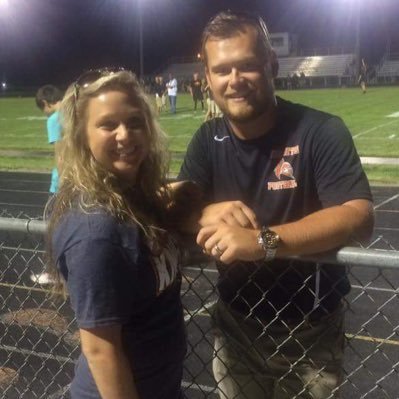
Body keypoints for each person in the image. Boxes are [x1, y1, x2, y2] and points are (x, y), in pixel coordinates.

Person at [178, 11, 374, 399]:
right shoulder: (207, 139)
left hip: (310, 331)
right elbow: (170, 204)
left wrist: (264, 242)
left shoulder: (320, 130)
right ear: (209, 79)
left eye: (247, 66)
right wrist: (200, 212)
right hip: (234, 325)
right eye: (222, 70)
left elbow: (358, 215)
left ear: (272, 64)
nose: (234, 80)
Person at [47, 69, 186, 399]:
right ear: (83, 136)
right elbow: (100, 351)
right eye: (108, 124)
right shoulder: (96, 230)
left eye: (135, 122)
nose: (126, 135)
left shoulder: (129, 195)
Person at [33, 84, 63, 285]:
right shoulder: (75, 112)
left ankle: (54, 272)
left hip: (63, 183)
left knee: (53, 227)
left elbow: (60, 153)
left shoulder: (54, 119)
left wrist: (61, 183)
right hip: (84, 179)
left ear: (45, 103)